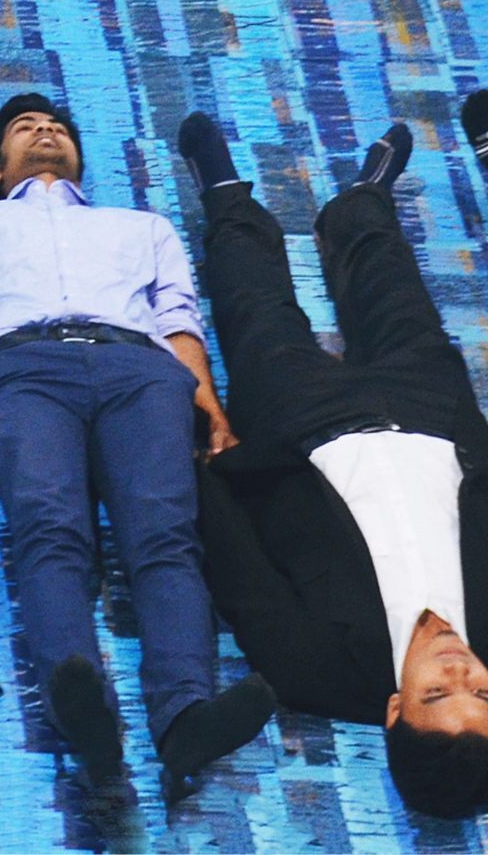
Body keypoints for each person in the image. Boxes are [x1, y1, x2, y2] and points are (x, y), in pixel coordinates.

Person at [0, 93, 272, 799]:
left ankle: (185, 718)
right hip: (21, 368)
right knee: (49, 529)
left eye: (56, 127)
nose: (45, 133)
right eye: (25, 128)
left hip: (139, 370)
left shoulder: (140, 225)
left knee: (167, 536)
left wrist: (207, 401)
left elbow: (178, 316)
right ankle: (85, 720)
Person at [178, 113, 488, 819]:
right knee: (397, 298)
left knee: (256, 310)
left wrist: (208, 460)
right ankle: (363, 205)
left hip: (302, 436)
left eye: (437, 694)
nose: (460, 670)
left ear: (391, 711)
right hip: (436, 421)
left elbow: (237, 566)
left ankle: (226, 196)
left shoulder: (310, 668)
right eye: (483, 692)